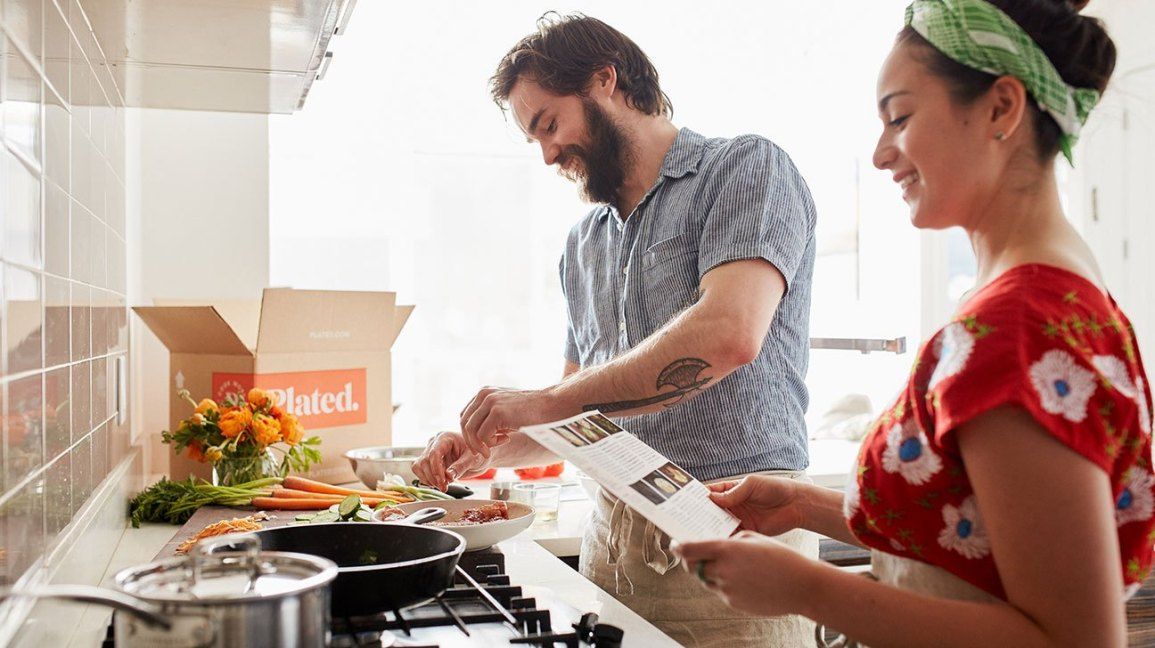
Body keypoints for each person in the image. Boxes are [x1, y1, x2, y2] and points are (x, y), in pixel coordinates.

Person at [672, 1, 1153, 645]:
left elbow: (1075, 639)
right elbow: (979, 533)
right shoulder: (1045, 290)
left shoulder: (1016, 326)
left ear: (1002, 109)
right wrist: (808, 507)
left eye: (899, 117)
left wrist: (810, 589)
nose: (879, 154)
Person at [413, 12, 820, 646]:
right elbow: (584, 415)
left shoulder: (743, 169)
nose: (547, 154)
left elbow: (730, 333)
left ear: (606, 81)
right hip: (611, 555)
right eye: (534, 139)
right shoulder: (584, 243)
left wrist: (542, 401)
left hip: (732, 541)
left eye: (549, 124)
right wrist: (492, 441)